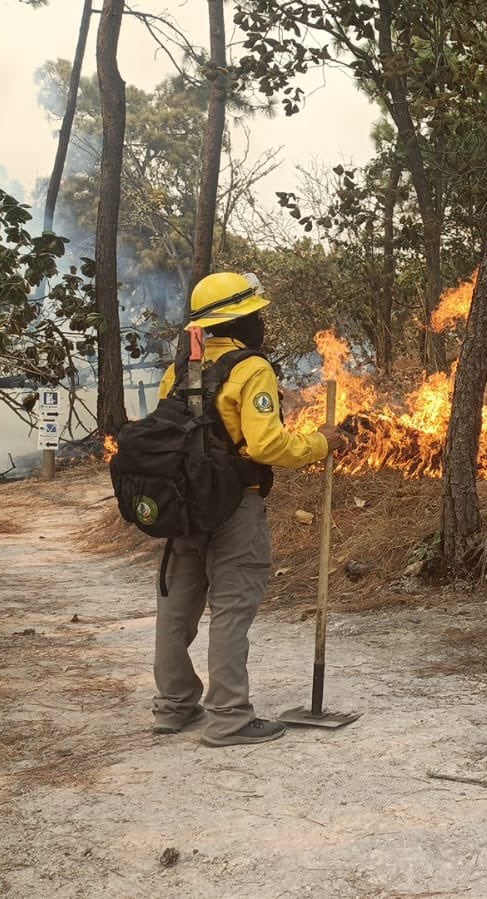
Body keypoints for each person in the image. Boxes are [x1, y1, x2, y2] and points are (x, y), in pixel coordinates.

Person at [151, 271, 346, 747]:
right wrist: (320, 443)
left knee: (176, 606)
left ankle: (174, 706)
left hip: (184, 505)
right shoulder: (250, 368)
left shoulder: (179, 370)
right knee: (232, 608)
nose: (260, 319)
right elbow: (265, 445)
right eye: (256, 312)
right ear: (242, 318)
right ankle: (230, 718)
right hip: (235, 503)